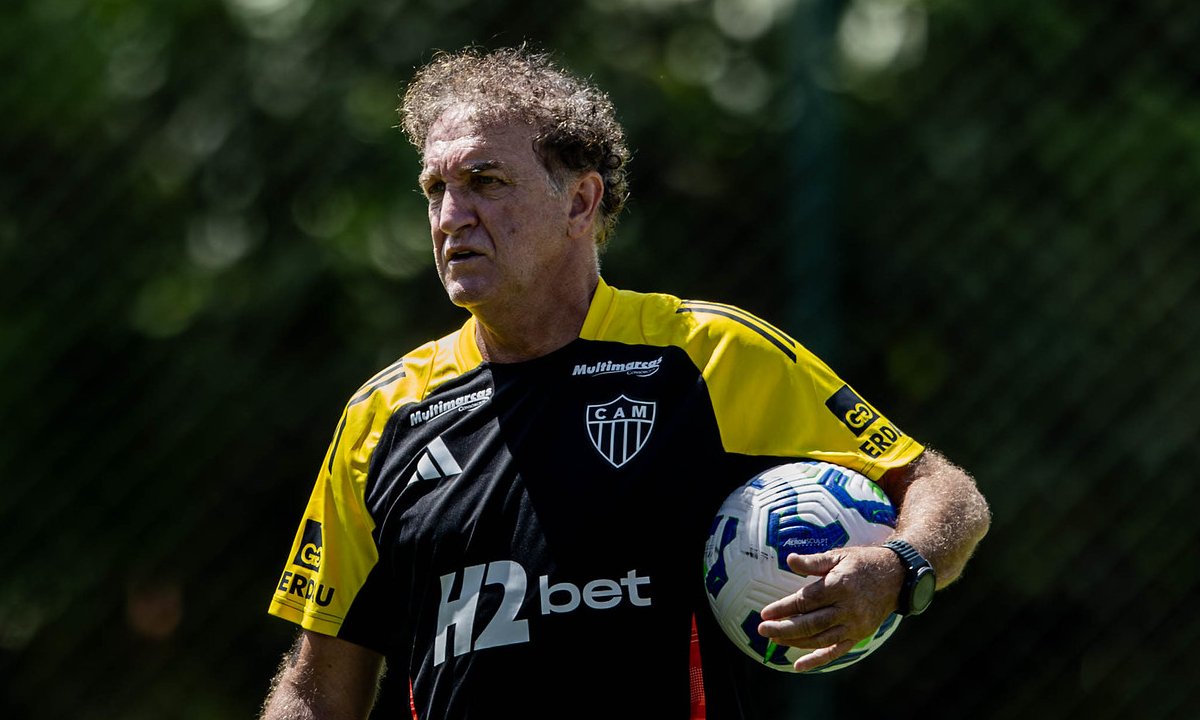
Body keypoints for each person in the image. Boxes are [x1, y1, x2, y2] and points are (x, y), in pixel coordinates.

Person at [259, 46, 990, 720]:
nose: (452, 216)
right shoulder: (385, 415)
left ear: (579, 202)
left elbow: (941, 489)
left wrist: (898, 566)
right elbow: (319, 684)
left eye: (485, 181)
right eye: (435, 188)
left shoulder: (706, 355)